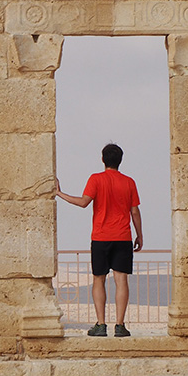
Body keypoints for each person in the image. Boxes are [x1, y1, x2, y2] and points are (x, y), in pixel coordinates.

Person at [55, 143, 142, 337]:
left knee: (98, 279)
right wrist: (140, 235)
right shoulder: (129, 182)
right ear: (120, 160)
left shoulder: (96, 179)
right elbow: (135, 211)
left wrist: (60, 193)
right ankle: (120, 325)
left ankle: (101, 325)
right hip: (123, 237)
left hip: (101, 237)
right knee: (121, 280)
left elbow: (83, 202)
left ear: (103, 159)